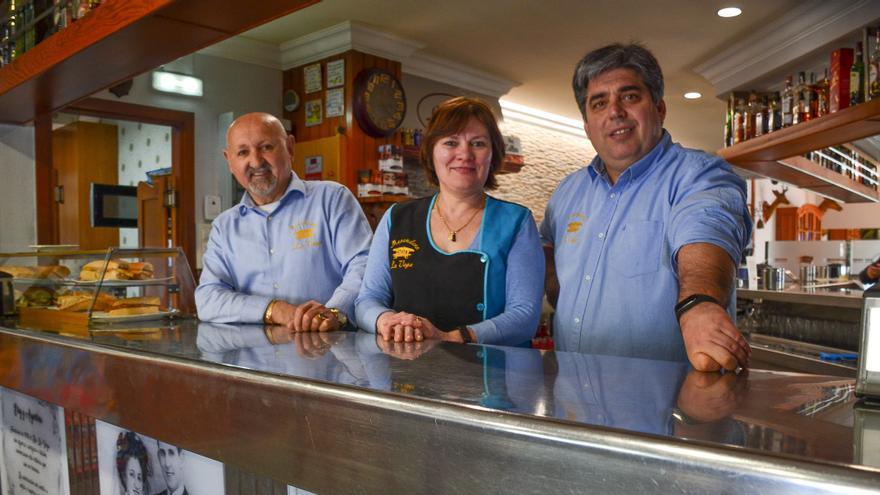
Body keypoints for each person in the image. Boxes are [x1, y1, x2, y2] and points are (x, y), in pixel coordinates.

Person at [541, 43, 752, 371]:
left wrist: (700, 303)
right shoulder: (568, 191)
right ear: (587, 125)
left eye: (629, 96)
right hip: (573, 400)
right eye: (599, 103)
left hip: (667, 410)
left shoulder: (699, 174)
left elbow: (706, 229)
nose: (615, 111)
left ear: (659, 107)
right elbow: (548, 251)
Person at [355, 97, 544, 346]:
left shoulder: (517, 222)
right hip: (405, 374)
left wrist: (453, 338)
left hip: (492, 377)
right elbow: (368, 298)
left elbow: (524, 317)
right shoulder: (396, 218)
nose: (464, 154)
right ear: (431, 151)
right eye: (451, 142)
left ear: (493, 154)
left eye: (478, 143)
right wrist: (384, 320)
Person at [196, 113, 372, 331]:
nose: (256, 161)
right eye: (243, 152)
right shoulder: (224, 227)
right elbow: (208, 299)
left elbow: (364, 265)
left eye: (266, 147)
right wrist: (274, 310)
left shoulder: (332, 199)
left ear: (290, 147)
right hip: (254, 360)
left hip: (332, 350)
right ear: (229, 161)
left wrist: (333, 313)